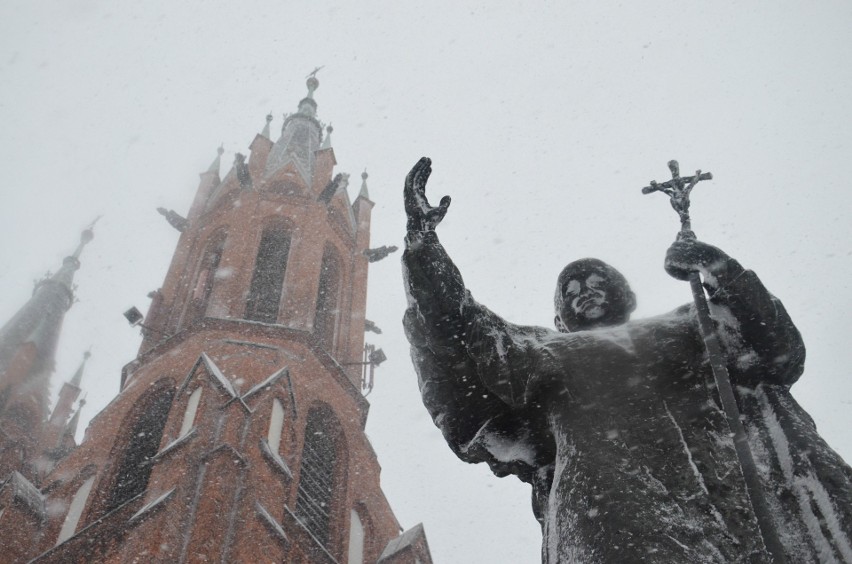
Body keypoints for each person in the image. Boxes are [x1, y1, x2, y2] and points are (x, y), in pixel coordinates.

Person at [402, 157, 852, 563]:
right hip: (621, 512)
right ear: (560, 316)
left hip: (735, 486)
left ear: (623, 291)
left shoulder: (689, 322)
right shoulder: (542, 349)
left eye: (597, 281)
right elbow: (462, 329)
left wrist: (721, 270)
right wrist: (425, 249)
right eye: (572, 292)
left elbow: (777, 352)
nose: (586, 292)